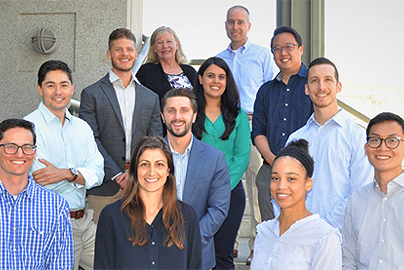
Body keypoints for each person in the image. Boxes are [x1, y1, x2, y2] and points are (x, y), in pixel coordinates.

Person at [24, 60, 104, 270]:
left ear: (72, 88)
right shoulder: (28, 128)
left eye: (64, 85)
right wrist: (80, 177)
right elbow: (42, 178)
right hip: (51, 225)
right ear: (39, 89)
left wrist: (66, 174)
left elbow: (99, 172)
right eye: (51, 85)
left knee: (114, 263)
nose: (58, 91)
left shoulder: (82, 127)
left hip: (85, 220)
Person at [80, 28, 162, 224]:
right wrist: (116, 174)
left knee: (139, 245)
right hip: (104, 188)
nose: (124, 54)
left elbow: (155, 142)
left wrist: (135, 173)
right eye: (118, 49)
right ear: (109, 54)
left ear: (135, 53)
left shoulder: (151, 97)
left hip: (142, 184)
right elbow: (90, 139)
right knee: (102, 248)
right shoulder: (91, 94)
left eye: (129, 49)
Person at [217, 5, 278, 263]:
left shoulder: (263, 55)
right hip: (226, 125)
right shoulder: (219, 58)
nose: (235, 26)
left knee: (254, 186)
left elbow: (269, 96)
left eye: (240, 22)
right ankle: (226, 240)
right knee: (226, 184)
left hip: (252, 124)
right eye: (231, 22)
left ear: (249, 26)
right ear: (226, 25)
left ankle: (255, 244)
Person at [286, 57, 373, 231]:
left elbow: (360, 193)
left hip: (340, 239)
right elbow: (284, 189)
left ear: (338, 87)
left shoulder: (357, 137)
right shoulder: (295, 139)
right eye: (314, 81)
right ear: (306, 89)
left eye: (328, 80)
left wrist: (321, 228)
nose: (321, 87)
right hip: (299, 235)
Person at [94, 136, 202, 269]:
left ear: (168, 170)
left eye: (159, 164)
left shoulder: (187, 216)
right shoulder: (112, 216)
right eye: (144, 164)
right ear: (134, 170)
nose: (151, 172)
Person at [161, 88, 231, 269]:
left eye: (184, 110)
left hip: (197, 254)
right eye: (171, 111)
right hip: (155, 252)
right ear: (162, 116)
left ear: (194, 116)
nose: (177, 116)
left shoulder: (214, 159)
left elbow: (219, 209)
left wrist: (189, 238)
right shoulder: (148, 156)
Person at [193, 56, 250, 269]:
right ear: (200, 79)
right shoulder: (190, 114)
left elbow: (242, 156)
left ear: (227, 82)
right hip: (195, 193)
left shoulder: (238, 115)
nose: (216, 81)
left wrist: (221, 187)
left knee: (222, 254)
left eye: (221, 77)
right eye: (210, 76)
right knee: (194, 251)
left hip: (230, 193)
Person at [252, 26, 313, 224]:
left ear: (300, 49)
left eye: (289, 47)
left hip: (307, 168)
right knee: (270, 226)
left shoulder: (313, 83)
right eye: (277, 49)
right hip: (272, 167)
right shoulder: (266, 91)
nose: (283, 53)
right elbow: (258, 131)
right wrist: (272, 158)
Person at [250, 139, 342, 269]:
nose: (281, 186)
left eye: (291, 179)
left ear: (308, 184)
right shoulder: (265, 231)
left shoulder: (324, 236)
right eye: (275, 178)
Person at [0, 119, 73, 269]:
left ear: (34, 152)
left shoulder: (55, 206)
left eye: (27, 147)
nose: (19, 154)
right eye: (11, 147)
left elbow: (60, 265)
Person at [342, 112, 404, 269]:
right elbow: (348, 259)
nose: (383, 147)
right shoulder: (356, 200)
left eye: (392, 140)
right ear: (366, 148)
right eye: (375, 140)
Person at [136, 26, 196, 102]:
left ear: (177, 45)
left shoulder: (190, 71)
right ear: (154, 48)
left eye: (169, 42)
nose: (165, 46)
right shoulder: (146, 71)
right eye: (160, 43)